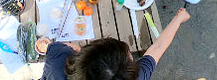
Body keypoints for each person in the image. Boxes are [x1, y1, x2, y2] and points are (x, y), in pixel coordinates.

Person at [41, 8, 190, 80]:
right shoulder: (135, 77)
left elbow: (60, 46)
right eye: (130, 57)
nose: (131, 56)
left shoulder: (58, 57)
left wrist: (75, 48)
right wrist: (178, 19)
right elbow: (158, 47)